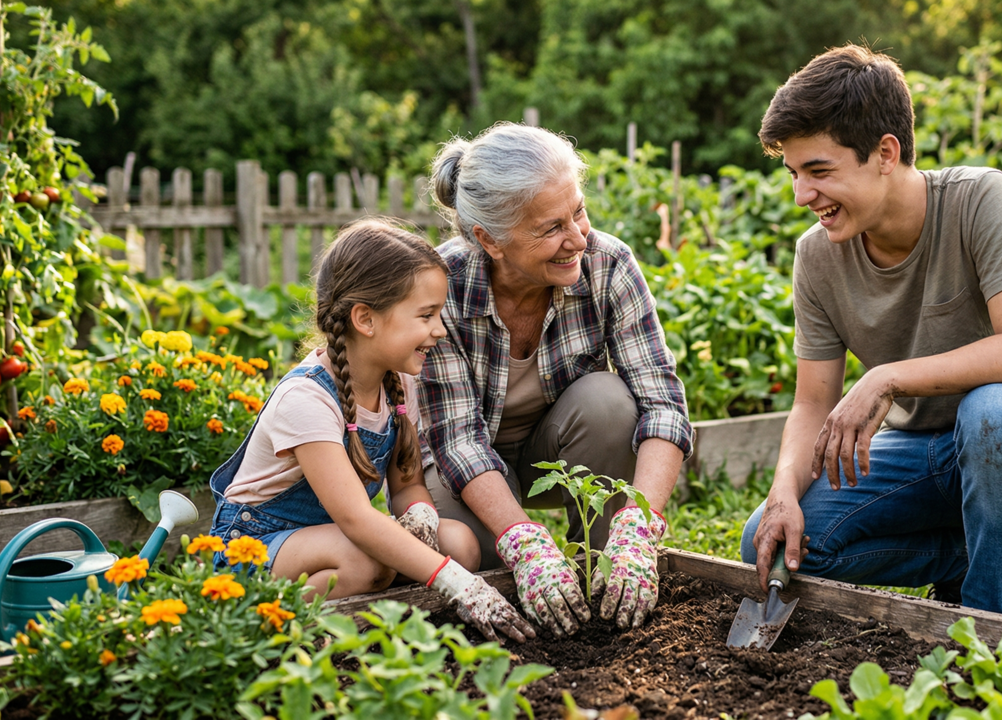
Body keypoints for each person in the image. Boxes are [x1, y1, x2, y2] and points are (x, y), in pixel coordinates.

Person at [738, 45, 1002, 617]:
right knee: (775, 541)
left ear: (885, 153)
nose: (802, 195)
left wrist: (888, 378)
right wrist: (784, 489)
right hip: (919, 452)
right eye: (795, 173)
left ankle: (995, 622)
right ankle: (965, 559)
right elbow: (813, 402)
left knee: (994, 410)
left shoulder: (980, 199)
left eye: (820, 171)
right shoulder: (818, 258)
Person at [419, 123, 695, 637]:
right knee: (473, 555)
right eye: (550, 229)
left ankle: (606, 566)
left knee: (610, 401)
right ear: (489, 240)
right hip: (466, 469)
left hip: (554, 449)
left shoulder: (607, 265)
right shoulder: (444, 286)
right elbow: (457, 439)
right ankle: (522, 563)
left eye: (579, 211)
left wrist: (642, 522)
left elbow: (663, 404)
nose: (578, 238)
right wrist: (522, 540)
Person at [207, 219, 534, 644]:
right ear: (365, 319)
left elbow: (407, 484)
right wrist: (455, 582)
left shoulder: (400, 384)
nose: (439, 329)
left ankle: (377, 617)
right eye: (426, 315)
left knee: (461, 543)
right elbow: (356, 519)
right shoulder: (307, 400)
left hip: (330, 539)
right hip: (255, 544)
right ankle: (256, 621)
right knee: (367, 563)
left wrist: (421, 516)